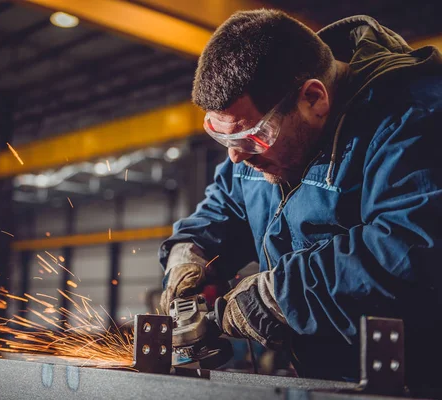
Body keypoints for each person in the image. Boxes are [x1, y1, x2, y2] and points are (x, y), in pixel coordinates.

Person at [159, 9, 442, 392]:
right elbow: (225, 207)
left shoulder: (414, 118)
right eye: (222, 138)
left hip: (415, 384)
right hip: (320, 378)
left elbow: (409, 249)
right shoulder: (257, 147)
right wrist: (187, 256)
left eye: (250, 138)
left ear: (314, 98)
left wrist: (277, 295)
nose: (236, 157)